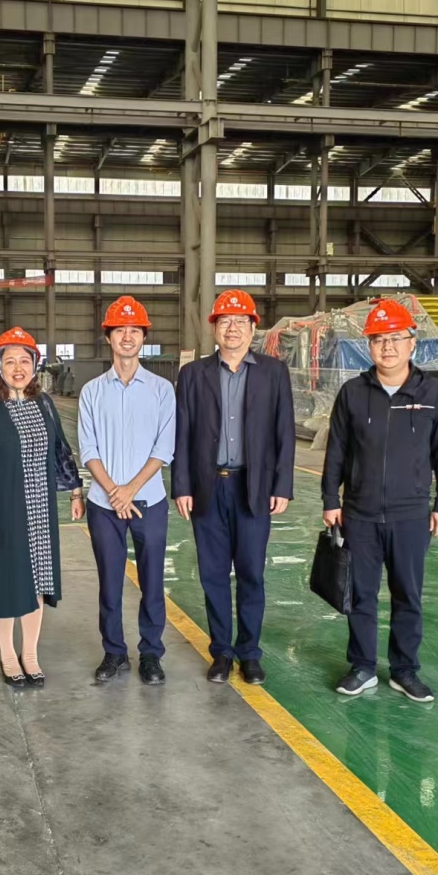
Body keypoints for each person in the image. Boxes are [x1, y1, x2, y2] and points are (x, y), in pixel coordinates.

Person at [321, 298, 438, 703]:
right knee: (360, 595)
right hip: (359, 513)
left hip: (411, 514)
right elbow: (337, 451)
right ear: (369, 346)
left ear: (412, 343)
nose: (388, 347)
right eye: (379, 339)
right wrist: (330, 498)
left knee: (407, 596)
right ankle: (363, 667)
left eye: (396, 338)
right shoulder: (352, 393)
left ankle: (404, 670)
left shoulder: (432, 393)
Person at [172, 289, 295, 686]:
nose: (233, 328)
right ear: (214, 328)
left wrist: (282, 485)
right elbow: (182, 433)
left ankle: (250, 653)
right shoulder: (193, 375)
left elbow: (285, 433)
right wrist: (182, 486)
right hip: (208, 488)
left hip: (253, 488)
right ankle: (222, 652)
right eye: (225, 321)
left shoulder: (273, 373)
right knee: (212, 574)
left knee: (251, 573)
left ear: (253, 328)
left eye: (241, 321)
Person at [0, 327, 85, 686]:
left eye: (25, 360)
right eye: (10, 361)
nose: (18, 368)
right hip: (5, 511)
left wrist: (75, 492)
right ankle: (8, 653)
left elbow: (61, 450)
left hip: (40, 511)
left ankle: (30, 653)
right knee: (5, 582)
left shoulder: (44, 405)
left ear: (35, 365)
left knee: (37, 580)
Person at [79, 296, 176, 685]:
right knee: (110, 582)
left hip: (149, 500)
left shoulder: (161, 390)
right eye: (120, 330)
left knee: (152, 581)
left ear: (143, 337)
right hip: (103, 505)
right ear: (108, 337)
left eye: (135, 330)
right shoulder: (92, 391)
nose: (127, 337)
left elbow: (164, 448)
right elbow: (88, 449)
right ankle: (114, 652)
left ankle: (150, 653)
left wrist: (130, 489)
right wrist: (112, 491)